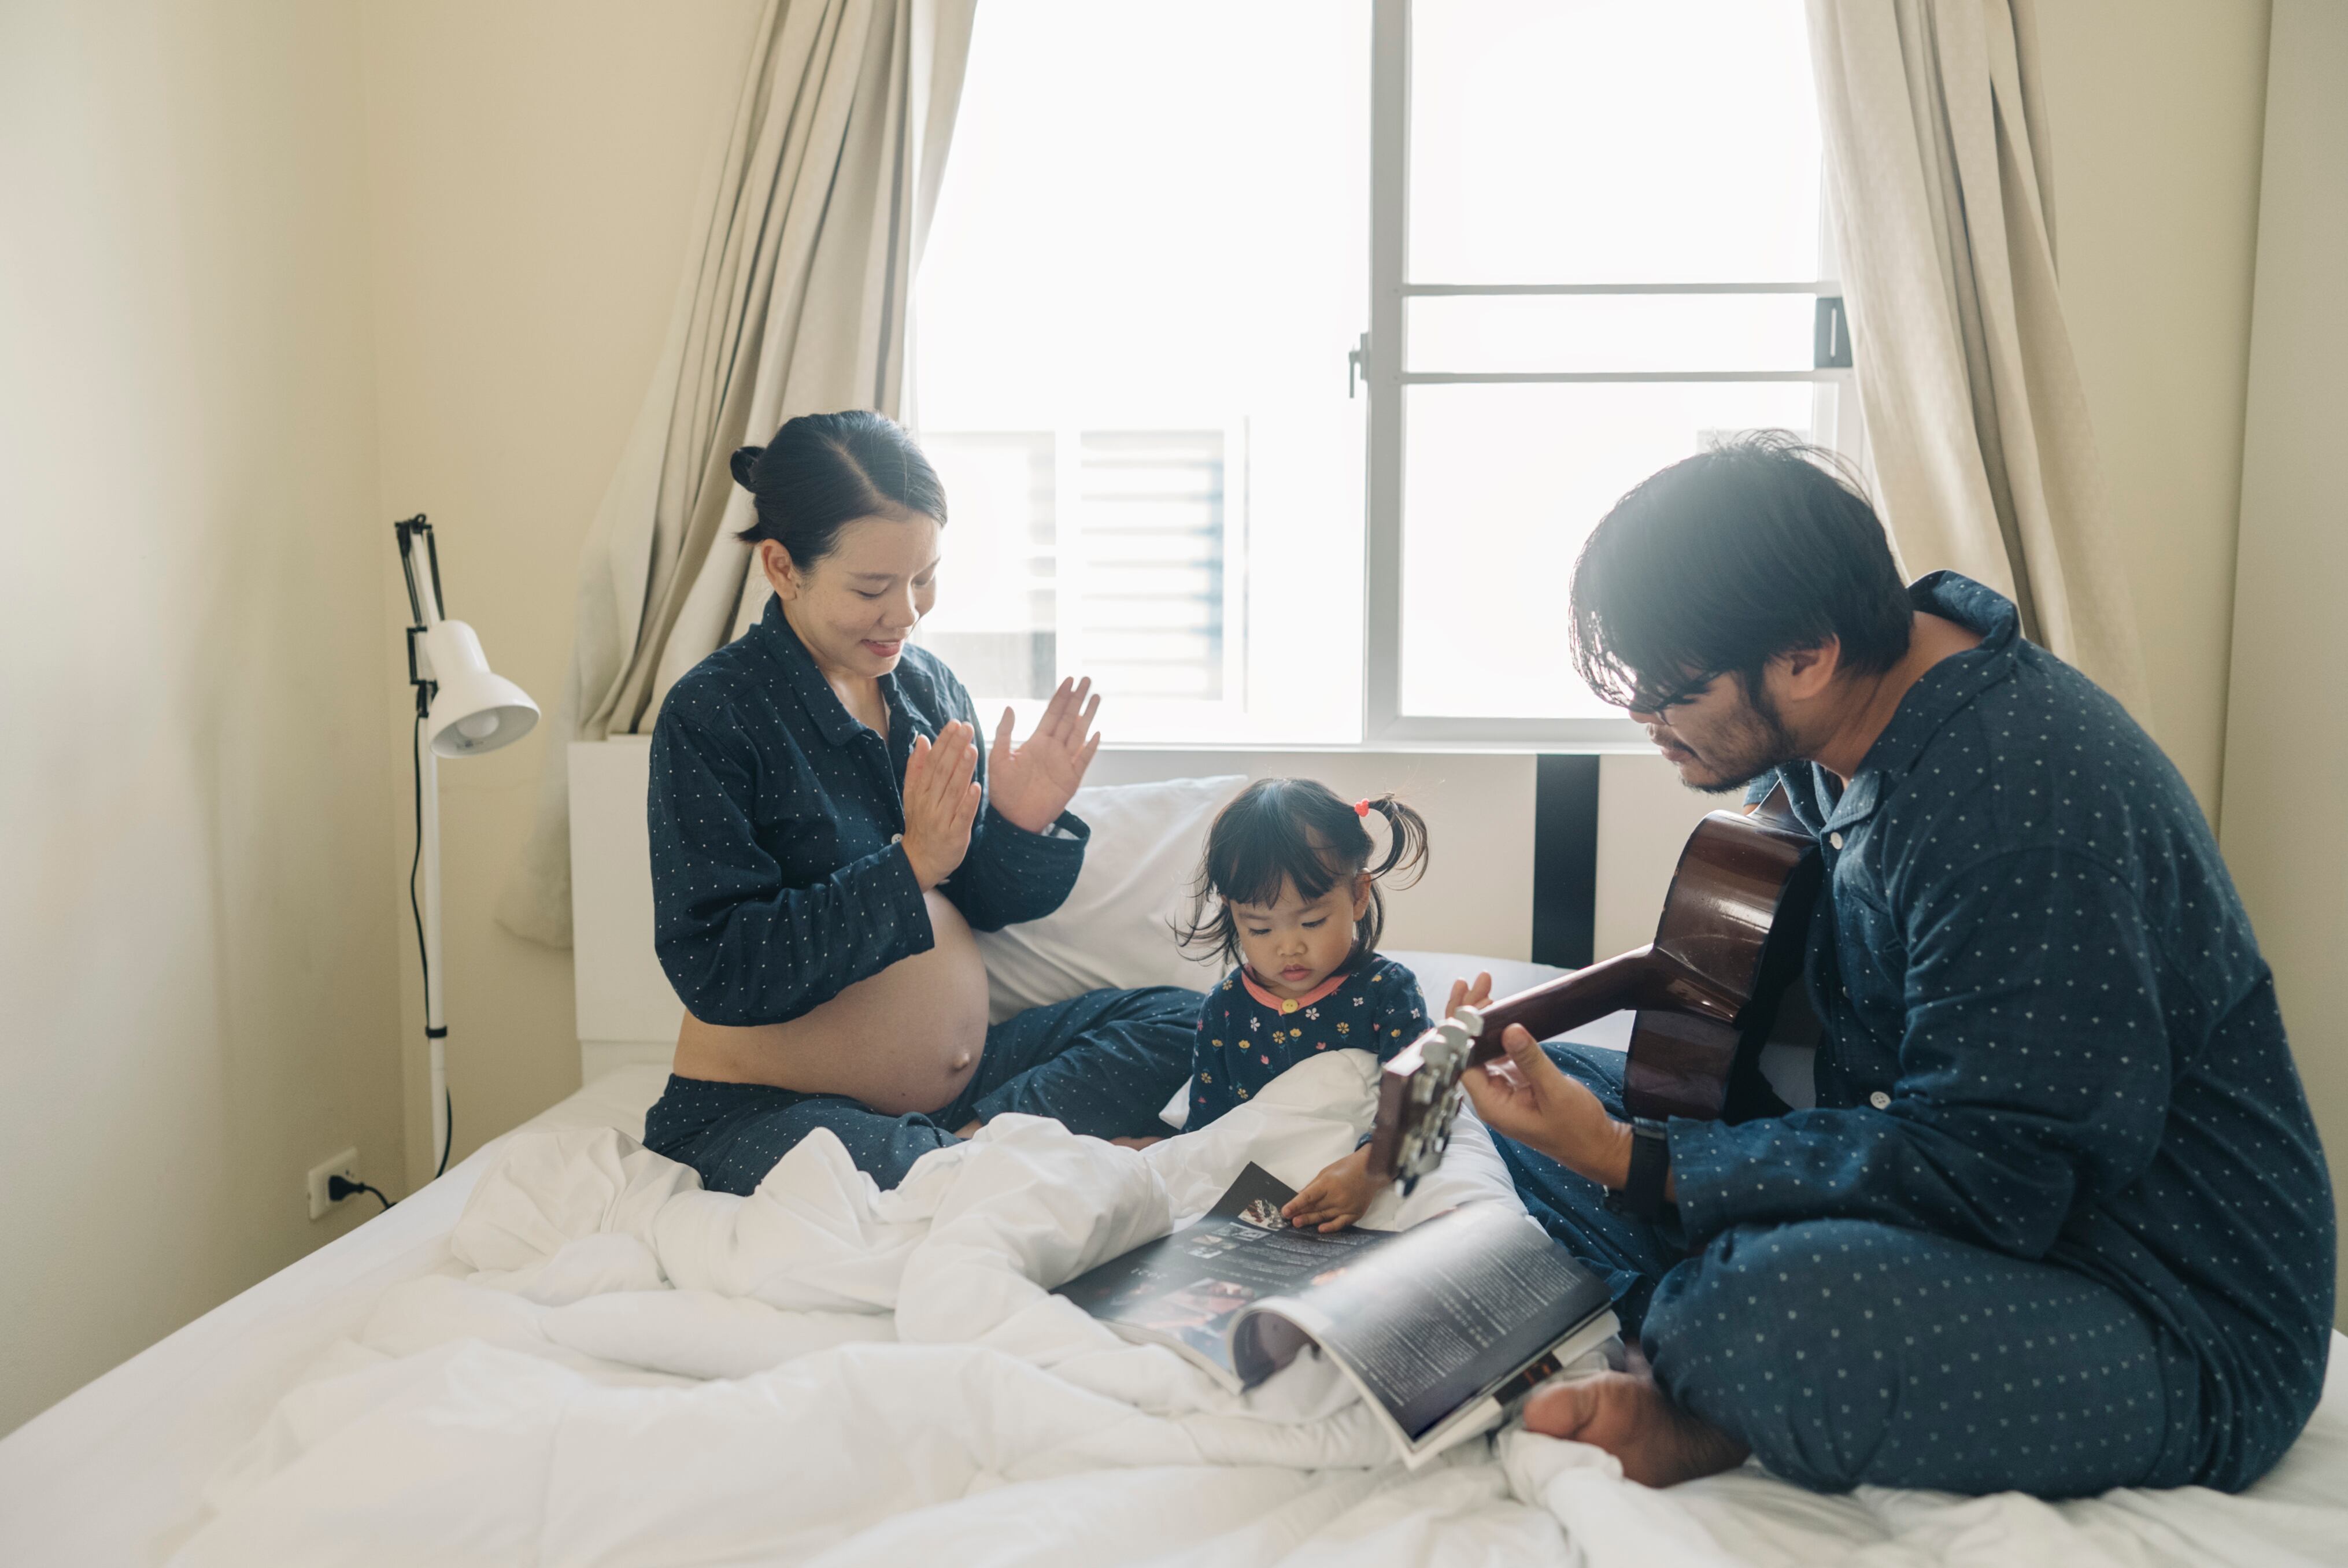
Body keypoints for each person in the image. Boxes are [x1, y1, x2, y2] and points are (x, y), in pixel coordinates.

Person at [1467, 432, 2334, 1496]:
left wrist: (1645, 1167)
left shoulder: (2021, 805)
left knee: (1757, 1310)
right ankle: (1702, 1338)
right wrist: (1608, 1135)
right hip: (1960, 1206)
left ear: (1806, 655)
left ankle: (1713, 1362)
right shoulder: (1861, 715)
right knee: (1535, 1104)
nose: (1649, 725)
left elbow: (1996, 1176)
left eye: (1671, 694)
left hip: (2155, 1303)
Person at [639, 411, 1197, 1194]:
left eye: (923, 578)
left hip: (965, 1090)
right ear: (782, 567)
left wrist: (1018, 821)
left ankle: (970, 1149)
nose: (906, 613)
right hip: (769, 1109)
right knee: (906, 1178)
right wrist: (908, 868)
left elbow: (986, 903)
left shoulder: (925, 686)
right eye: (872, 588)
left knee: (1187, 1022)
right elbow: (721, 970)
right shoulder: (715, 715)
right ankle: (974, 1161)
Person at [1176, 778, 1490, 1231]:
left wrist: (1369, 1170)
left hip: (1368, 1174)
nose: (1288, 948)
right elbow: (1208, 1132)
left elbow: (1425, 1104)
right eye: (1260, 929)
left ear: (1358, 895)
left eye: (1312, 921)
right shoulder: (1225, 1007)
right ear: (1232, 913)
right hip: (1268, 1198)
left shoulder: (1386, 991)